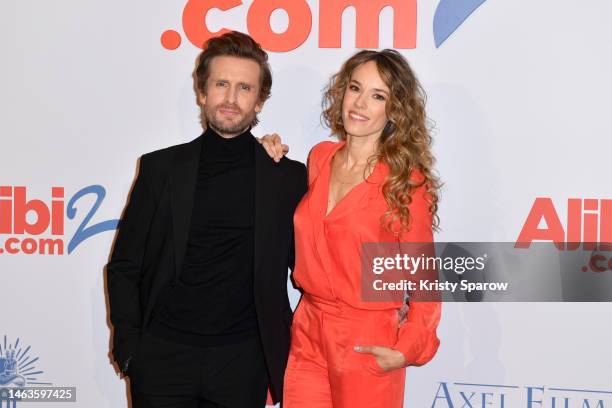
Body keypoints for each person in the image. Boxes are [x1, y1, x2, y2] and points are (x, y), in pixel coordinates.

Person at [106, 31, 307, 408]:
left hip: (243, 362)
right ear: (202, 92)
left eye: (244, 88)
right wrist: (131, 348)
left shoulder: (287, 178)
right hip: (163, 358)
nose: (231, 99)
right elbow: (125, 265)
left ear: (259, 100)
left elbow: (313, 268)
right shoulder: (160, 169)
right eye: (221, 84)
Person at [259, 49, 442, 408]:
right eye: (355, 88)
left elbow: (424, 278)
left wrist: (407, 348)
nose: (359, 103)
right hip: (308, 328)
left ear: (395, 110)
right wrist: (264, 153)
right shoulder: (320, 157)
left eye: (378, 96)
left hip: (366, 336)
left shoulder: (406, 181)